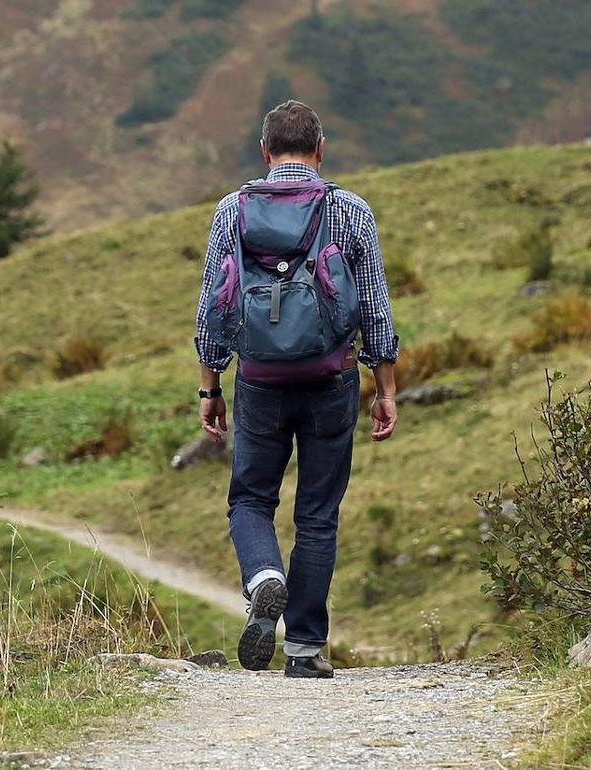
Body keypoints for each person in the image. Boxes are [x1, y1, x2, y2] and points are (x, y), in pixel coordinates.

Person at [194, 100, 399, 679]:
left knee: (250, 499)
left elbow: (214, 305)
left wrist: (209, 386)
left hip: (258, 380)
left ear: (264, 151)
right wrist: (385, 387)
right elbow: (376, 310)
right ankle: (305, 649)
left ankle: (264, 578)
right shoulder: (350, 210)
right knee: (318, 512)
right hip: (332, 378)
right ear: (320, 149)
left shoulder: (232, 211)